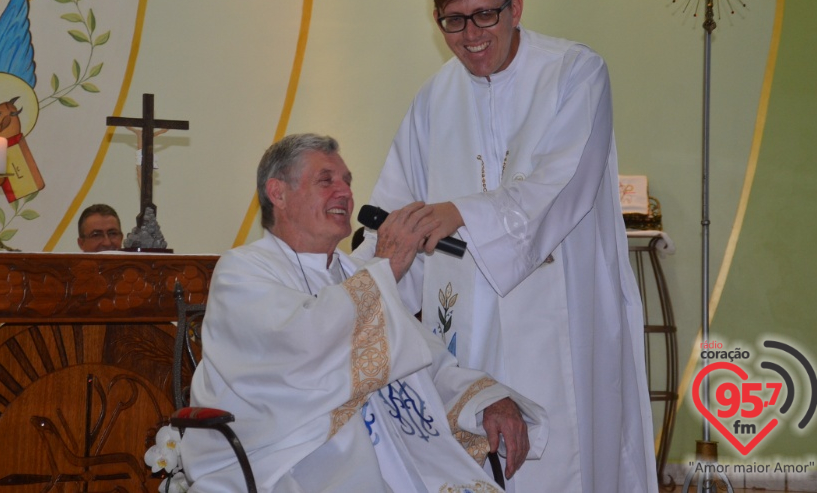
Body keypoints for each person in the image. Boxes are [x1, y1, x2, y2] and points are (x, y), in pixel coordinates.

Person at [354, 0, 657, 492]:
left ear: (515, 8)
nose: (470, 37)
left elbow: (561, 186)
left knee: (572, 465)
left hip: (562, 321)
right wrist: (353, 293)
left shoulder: (575, 73)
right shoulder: (432, 101)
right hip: (470, 337)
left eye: (485, 16)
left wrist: (458, 213)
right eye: (453, 22)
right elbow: (396, 214)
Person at [178, 133, 547, 493]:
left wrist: (488, 400)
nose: (346, 193)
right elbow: (300, 349)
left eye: (348, 182)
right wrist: (385, 268)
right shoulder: (242, 270)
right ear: (278, 193)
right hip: (296, 455)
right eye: (326, 181)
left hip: (396, 449)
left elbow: (427, 362)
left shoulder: (356, 274)